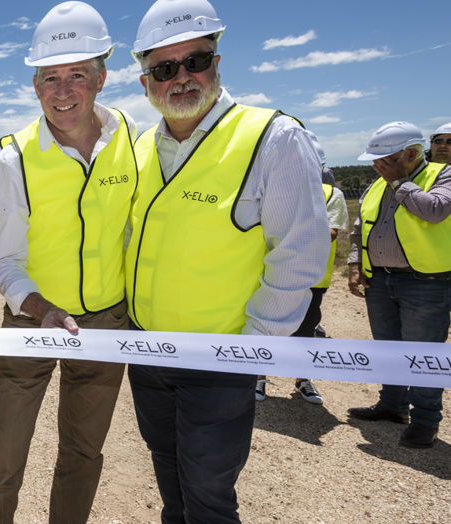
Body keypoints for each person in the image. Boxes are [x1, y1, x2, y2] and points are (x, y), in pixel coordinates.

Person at [125, 0, 328, 521]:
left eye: (197, 60)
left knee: (209, 495)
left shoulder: (273, 137)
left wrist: (252, 350)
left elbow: (300, 253)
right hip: (148, 350)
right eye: (165, 69)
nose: (182, 78)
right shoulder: (143, 147)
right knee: (169, 478)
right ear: (146, 80)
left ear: (218, 60)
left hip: (220, 359)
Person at [0, 3, 135, 523]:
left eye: (77, 75)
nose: (63, 91)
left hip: (107, 322)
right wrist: (40, 308)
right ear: (35, 86)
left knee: (83, 456)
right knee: (3, 459)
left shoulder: (133, 139)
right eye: (50, 78)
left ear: (102, 77)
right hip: (30, 321)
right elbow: (6, 263)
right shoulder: (13, 157)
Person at [345, 121, 451, 449]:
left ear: (409, 154)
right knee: (388, 349)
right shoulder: (379, 183)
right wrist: (354, 264)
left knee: (422, 354)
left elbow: (435, 211)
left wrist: (400, 182)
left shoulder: (442, 175)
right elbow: (361, 224)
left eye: (385, 159)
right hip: (380, 280)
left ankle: (425, 421)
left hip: (425, 281)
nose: (378, 166)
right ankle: (392, 405)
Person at [256, 134, 348, 404]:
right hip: (269, 272)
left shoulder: (332, 194)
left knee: (306, 330)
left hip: (312, 278)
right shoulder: (271, 189)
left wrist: (284, 231)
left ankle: (302, 380)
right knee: (265, 326)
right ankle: (259, 378)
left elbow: (329, 233)